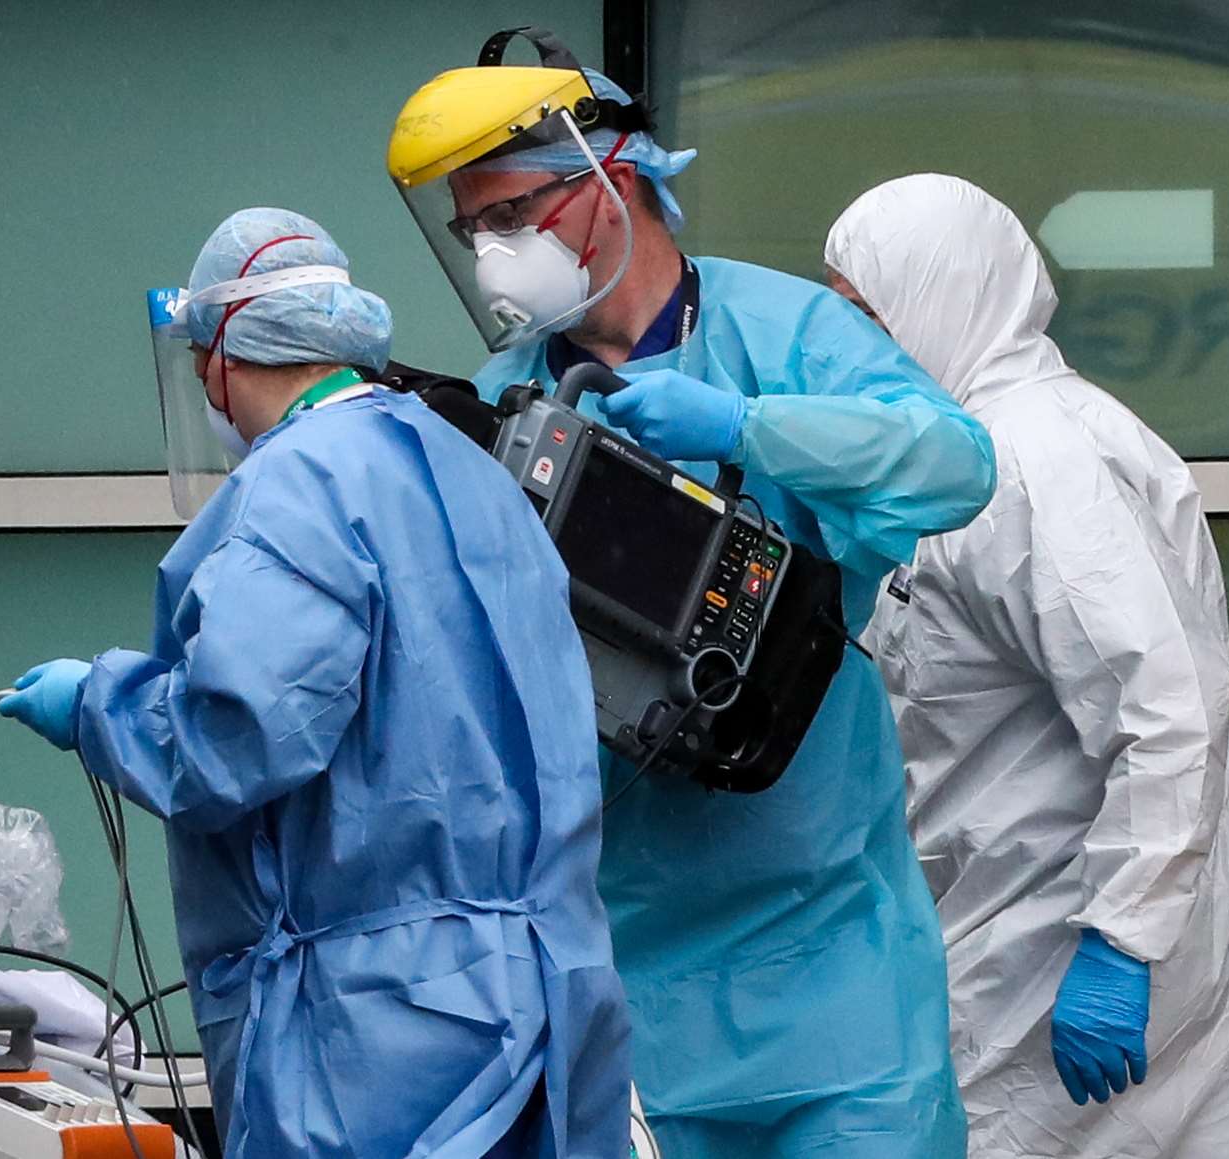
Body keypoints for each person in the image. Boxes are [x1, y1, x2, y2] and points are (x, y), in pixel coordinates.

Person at [388, 33, 997, 1158]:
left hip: (836, 975)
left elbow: (956, 464)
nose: (492, 254)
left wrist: (744, 428)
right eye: (474, 230)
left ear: (610, 180)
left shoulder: (784, 336)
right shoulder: (501, 409)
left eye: (513, 217)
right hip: (641, 986)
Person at [0, 207, 631, 1159]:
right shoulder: (471, 469)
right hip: (546, 993)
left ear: (219, 354)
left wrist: (95, 706)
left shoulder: (300, 487)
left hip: (386, 1030)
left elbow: (233, 741)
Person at [824, 173, 1229, 1158]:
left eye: (864, 312)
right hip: (1097, 915)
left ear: (940, 293)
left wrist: (1122, 939)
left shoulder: (1037, 460)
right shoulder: (959, 455)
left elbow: (1168, 709)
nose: (844, 342)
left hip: (1067, 938)